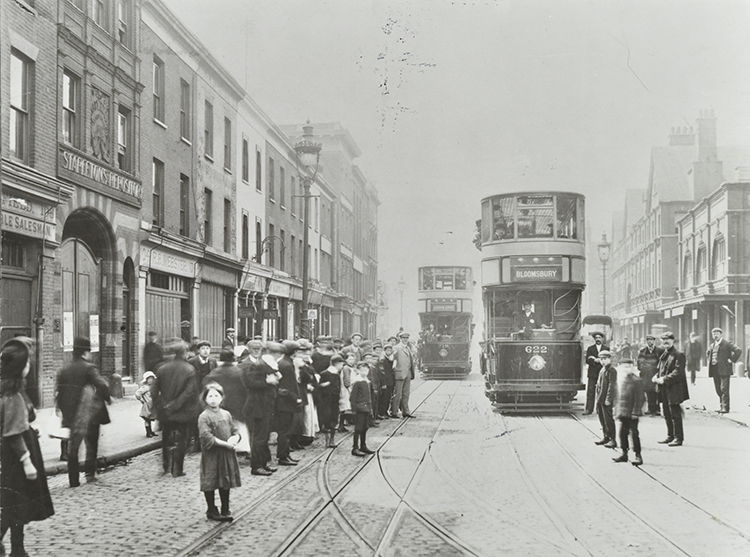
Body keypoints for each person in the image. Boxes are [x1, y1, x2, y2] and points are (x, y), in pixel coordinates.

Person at [1, 337, 54, 556]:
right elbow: (13, 433)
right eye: (27, 364)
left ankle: (18, 549)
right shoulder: (13, 395)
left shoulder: (10, 390)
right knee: (16, 502)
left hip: (12, 453)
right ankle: (17, 550)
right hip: (17, 456)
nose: (29, 367)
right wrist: (27, 462)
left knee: (15, 503)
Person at [56, 336, 111, 487]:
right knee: (91, 444)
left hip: (70, 414)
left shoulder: (64, 369)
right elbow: (102, 385)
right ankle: (89, 475)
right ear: (85, 353)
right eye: (89, 352)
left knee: (73, 447)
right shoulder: (89, 368)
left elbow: (59, 393)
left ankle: (73, 480)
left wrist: (62, 411)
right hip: (89, 413)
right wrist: (107, 397)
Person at [151, 338, 201, 476]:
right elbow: (189, 392)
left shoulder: (161, 369)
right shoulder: (189, 369)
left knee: (166, 439)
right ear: (184, 353)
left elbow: (153, 391)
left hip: (166, 412)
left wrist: (161, 406)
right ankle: (177, 469)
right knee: (182, 440)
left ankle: (166, 466)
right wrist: (175, 405)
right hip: (183, 412)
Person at [198, 383, 241, 522]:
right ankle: (211, 509)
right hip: (212, 454)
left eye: (216, 396)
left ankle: (225, 508)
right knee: (210, 480)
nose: (213, 399)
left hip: (226, 454)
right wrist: (225, 444)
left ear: (222, 398)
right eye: (210, 396)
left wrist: (235, 438)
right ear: (205, 399)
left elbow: (234, 430)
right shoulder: (204, 416)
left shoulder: (226, 414)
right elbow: (206, 436)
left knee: (225, 479)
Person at [240, 340, 278, 477]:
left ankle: (263, 463)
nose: (257, 351)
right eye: (254, 348)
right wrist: (267, 381)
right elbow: (249, 383)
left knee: (264, 436)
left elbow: (274, 373)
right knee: (257, 438)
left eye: (259, 348)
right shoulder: (245, 364)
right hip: (254, 406)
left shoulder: (262, 362)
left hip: (265, 405)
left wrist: (275, 376)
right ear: (249, 349)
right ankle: (256, 466)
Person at [203, 350, 250, 456]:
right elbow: (246, 389)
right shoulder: (238, 372)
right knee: (240, 427)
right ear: (233, 358)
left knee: (222, 427)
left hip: (221, 405)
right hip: (238, 405)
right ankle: (242, 448)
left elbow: (206, 386)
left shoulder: (214, 373)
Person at [653, 332, 689, 446]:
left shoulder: (678, 355)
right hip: (664, 388)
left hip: (674, 389)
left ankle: (679, 438)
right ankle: (670, 436)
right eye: (663, 340)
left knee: (675, 414)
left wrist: (664, 379)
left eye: (668, 340)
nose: (665, 342)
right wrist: (656, 376)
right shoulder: (664, 354)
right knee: (667, 413)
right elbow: (661, 369)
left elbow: (678, 373)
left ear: (673, 341)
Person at [272, 341, 301, 466]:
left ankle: (285, 454)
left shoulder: (283, 362)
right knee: (285, 431)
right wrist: (296, 398)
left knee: (285, 431)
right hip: (286, 403)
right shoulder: (287, 365)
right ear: (293, 352)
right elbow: (289, 386)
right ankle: (283, 456)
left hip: (284, 402)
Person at [612, 359, 644, 465]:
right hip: (623, 412)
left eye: (628, 367)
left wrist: (636, 412)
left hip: (632, 413)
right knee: (622, 434)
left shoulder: (636, 380)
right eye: (624, 367)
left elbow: (640, 398)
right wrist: (617, 411)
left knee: (634, 434)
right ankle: (624, 454)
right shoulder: (620, 379)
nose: (626, 369)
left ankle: (638, 455)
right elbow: (618, 397)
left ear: (632, 367)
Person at [706, 327, 741, 413]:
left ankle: (725, 407)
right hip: (715, 370)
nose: (715, 335)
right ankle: (722, 406)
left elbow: (738, 350)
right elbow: (708, 353)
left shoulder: (727, 343)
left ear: (721, 334)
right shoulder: (712, 345)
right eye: (714, 334)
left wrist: (731, 359)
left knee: (724, 389)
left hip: (725, 369)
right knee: (718, 389)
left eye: (717, 333)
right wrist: (710, 360)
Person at [319, 354, 344, 448]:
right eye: (341, 364)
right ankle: (328, 440)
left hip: (335, 400)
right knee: (327, 419)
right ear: (336, 364)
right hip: (326, 401)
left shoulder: (337, 374)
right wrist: (323, 386)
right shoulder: (324, 373)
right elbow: (319, 387)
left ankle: (332, 440)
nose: (342, 367)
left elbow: (339, 387)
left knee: (334, 418)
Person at [350, 362, 375, 456]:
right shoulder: (358, 382)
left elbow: (370, 397)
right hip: (359, 408)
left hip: (367, 408)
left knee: (365, 427)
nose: (365, 372)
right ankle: (355, 448)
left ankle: (363, 446)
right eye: (362, 370)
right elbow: (353, 397)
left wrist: (371, 409)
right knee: (358, 428)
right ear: (358, 371)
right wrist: (354, 410)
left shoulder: (367, 381)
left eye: (366, 370)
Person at [593, 350, 617, 448]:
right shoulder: (603, 369)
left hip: (606, 399)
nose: (603, 361)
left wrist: (608, 399)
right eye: (601, 359)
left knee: (608, 420)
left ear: (609, 359)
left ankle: (612, 439)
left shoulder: (611, 370)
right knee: (602, 419)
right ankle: (606, 437)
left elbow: (612, 386)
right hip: (600, 398)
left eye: (605, 359)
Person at [389, 331, 416, 419]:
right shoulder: (396, 347)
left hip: (408, 373)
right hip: (400, 373)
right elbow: (392, 358)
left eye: (406, 338)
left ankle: (406, 412)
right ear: (400, 339)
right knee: (398, 394)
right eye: (403, 338)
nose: (405, 340)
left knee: (406, 393)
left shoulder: (408, 348)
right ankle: (394, 412)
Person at [636, 335, 663, 415]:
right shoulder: (642, 351)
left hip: (656, 374)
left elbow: (661, 363)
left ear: (654, 341)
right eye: (648, 340)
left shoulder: (659, 351)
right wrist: (645, 367)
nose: (650, 341)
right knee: (648, 391)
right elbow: (639, 363)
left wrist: (657, 370)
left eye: (651, 340)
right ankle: (651, 409)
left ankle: (657, 409)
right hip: (646, 375)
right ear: (646, 341)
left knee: (657, 391)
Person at [584, 332, 609, 415]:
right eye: (596, 338)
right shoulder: (590, 349)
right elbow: (587, 360)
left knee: (602, 391)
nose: (598, 339)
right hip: (592, 373)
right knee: (591, 391)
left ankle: (600, 409)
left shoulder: (606, 348)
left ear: (602, 339)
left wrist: (600, 360)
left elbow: (609, 360)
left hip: (603, 373)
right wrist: (594, 360)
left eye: (599, 337)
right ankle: (588, 409)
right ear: (594, 339)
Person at [135, 371, 158, 438]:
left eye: (152, 379)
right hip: (147, 406)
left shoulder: (153, 387)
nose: (151, 380)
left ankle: (151, 431)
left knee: (150, 418)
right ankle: (148, 432)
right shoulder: (145, 387)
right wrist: (141, 400)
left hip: (152, 406)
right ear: (146, 380)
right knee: (147, 419)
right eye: (149, 379)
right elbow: (137, 393)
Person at [379, 344, 395, 418]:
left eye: (390, 350)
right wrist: (383, 382)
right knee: (384, 398)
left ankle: (385, 411)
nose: (389, 351)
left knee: (388, 397)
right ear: (385, 351)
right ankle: (382, 412)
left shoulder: (390, 359)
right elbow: (382, 372)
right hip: (386, 381)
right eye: (387, 350)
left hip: (390, 381)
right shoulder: (383, 359)